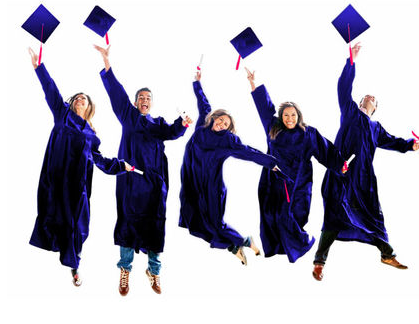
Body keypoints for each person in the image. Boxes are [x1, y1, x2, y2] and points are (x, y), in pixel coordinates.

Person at [313, 43, 419, 281]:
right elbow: (343, 87)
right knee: (333, 214)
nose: (369, 97)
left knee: (373, 215)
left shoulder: (376, 128)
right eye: (366, 96)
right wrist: (351, 61)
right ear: (361, 102)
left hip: (363, 180)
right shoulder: (350, 112)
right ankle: (319, 262)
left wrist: (410, 145)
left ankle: (387, 254)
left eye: (373, 98)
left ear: (375, 108)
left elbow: (393, 142)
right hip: (341, 172)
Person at [27, 48, 131, 287]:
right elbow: (50, 90)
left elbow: (100, 161)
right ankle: (60, 251)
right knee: (53, 215)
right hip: (56, 178)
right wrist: (38, 66)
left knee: (79, 224)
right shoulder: (62, 115)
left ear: (89, 106)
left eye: (84, 98)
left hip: (77, 185)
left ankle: (74, 264)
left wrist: (121, 165)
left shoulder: (92, 136)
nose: (79, 99)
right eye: (76, 98)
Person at [94, 45, 192, 296]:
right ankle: (125, 269)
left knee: (155, 225)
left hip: (154, 184)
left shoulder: (157, 124)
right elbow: (116, 92)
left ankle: (154, 270)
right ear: (136, 102)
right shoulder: (128, 116)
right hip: (130, 181)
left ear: (151, 103)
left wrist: (183, 123)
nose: (145, 101)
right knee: (127, 222)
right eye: (141, 98)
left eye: (148, 98)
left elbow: (172, 131)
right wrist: (107, 62)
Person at [245, 68, 347, 263]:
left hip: (300, 181)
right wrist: (253, 83)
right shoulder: (273, 128)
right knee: (273, 214)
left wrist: (340, 164)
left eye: (293, 115)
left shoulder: (308, 133)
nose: (289, 119)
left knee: (295, 214)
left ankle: (299, 243)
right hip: (274, 180)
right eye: (286, 115)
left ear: (298, 115)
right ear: (281, 117)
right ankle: (281, 247)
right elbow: (264, 107)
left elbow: (325, 150)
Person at [179, 70, 279, 266]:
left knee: (215, 223)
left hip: (212, 187)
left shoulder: (227, 140)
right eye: (221, 120)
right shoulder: (202, 125)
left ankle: (244, 241)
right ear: (214, 118)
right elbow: (203, 103)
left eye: (226, 124)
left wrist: (271, 162)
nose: (222, 124)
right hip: (192, 184)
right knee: (195, 222)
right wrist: (197, 83)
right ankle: (234, 247)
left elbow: (248, 152)